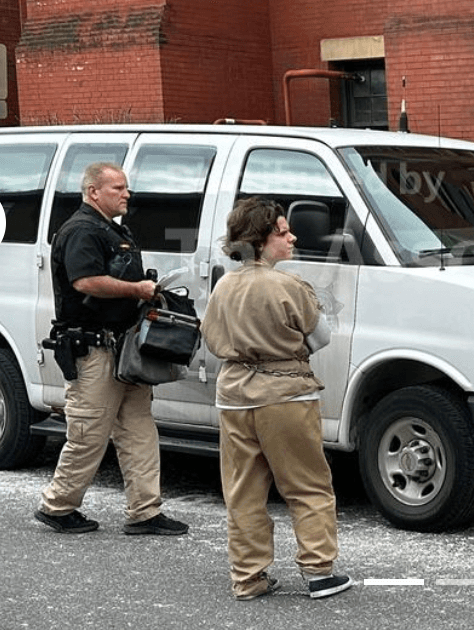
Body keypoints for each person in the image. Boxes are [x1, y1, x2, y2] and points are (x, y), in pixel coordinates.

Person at [201, 196, 352, 601]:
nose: (292, 237)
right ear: (263, 239)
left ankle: (248, 578)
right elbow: (319, 338)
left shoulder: (223, 285)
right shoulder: (289, 285)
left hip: (234, 396)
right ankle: (319, 572)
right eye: (283, 232)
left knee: (243, 491)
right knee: (307, 485)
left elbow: (211, 340)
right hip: (285, 394)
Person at [35, 162, 189, 536]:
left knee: (138, 430)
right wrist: (137, 290)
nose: (126, 194)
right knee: (88, 433)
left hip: (123, 348)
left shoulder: (112, 229)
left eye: (127, 187)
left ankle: (145, 511)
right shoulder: (81, 231)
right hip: (95, 349)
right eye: (118, 188)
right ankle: (57, 506)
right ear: (93, 192)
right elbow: (86, 281)